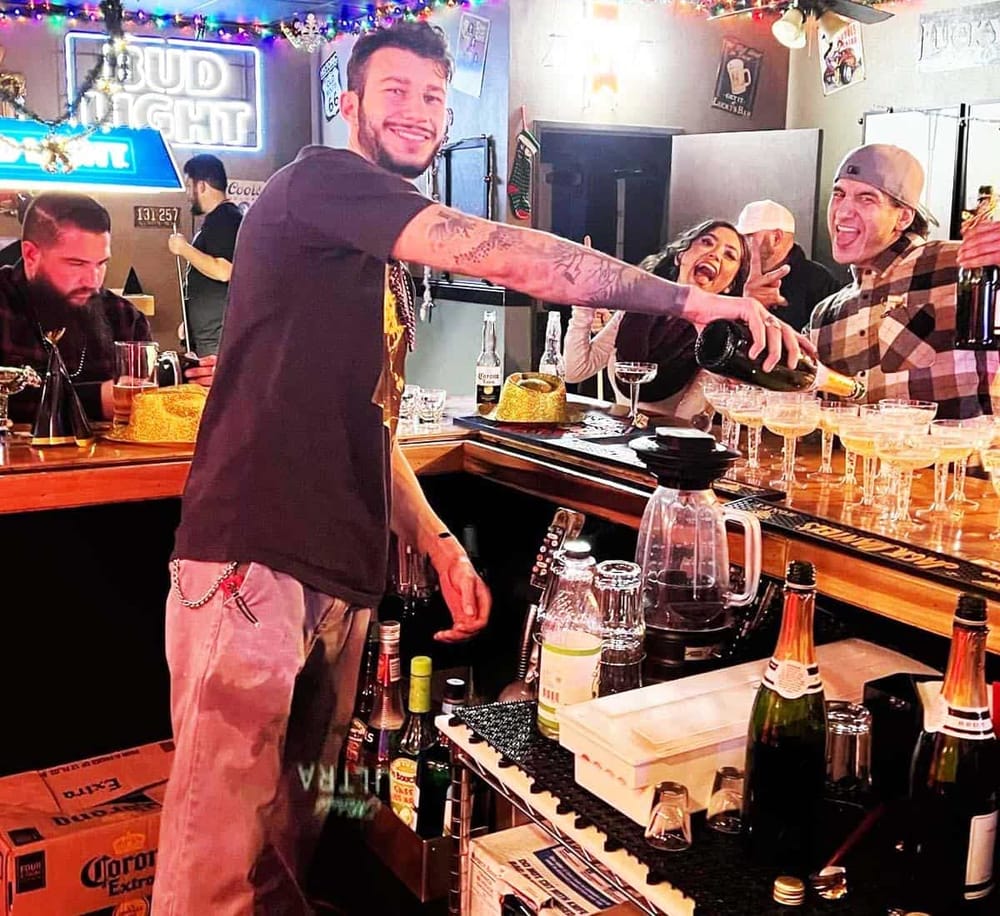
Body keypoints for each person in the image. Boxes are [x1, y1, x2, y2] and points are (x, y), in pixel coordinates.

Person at [154, 22, 798, 915]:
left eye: (431, 96)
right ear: (350, 104)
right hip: (251, 566)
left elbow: (369, 428)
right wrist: (691, 297)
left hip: (330, 575)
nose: (416, 112)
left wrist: (439, 543)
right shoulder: (322, 182)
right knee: (216, 862)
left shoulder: (370, 256)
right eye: (395, 92)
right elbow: (518, 256)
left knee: (286, 844)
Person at [810, 143, 1000, 419]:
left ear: (903, 217)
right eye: (839, 194)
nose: (842, 212)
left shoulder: (958, 264)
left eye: (866, 198)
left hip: (956, 461)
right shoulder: (825, 315)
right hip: (860, 461)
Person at [0, 192, 214, 425]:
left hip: (113, 460)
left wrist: (188, 380)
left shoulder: (123, 317)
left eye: (101, 264)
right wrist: (96, 400)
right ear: (31, 255)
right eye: (76, 264)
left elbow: (146, 394)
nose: (93, 281)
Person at [564, 220, 751, 422]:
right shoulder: (637, 306)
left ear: (730, 285)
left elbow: (686, 426)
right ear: (681, 256)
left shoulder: (720, 339)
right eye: (707, 242)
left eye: (729, 255)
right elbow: (575, 371)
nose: (715, 254)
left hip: (670, 448)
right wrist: (583, 301)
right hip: (618, 442)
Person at [167, 153, 242, 356]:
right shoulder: (217, 220)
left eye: (189, 186)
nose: (188, 194)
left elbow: (223, 271)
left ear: (202, 186)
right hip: (207, 337)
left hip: (216, 341)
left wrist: (183, 248)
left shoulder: (225, 219)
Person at [735, 199, 841, 331]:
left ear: (776, 238)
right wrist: (743, 309)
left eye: (748, 236)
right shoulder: (733, 274)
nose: (739, 244)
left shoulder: (819, 282)